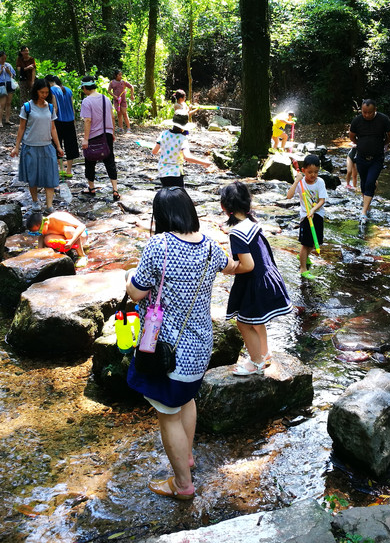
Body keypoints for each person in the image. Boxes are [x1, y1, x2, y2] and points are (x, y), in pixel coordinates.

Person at [125, 187, 234, 501]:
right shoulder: (212, 248)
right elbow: (229, 266)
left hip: (167, 350)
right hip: (200, 349)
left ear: (161, 216)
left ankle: (183, 485)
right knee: (186, 399)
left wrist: (129, 276)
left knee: (168, 413)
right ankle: (186, 457)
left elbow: (136, 292)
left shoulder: (160, 244)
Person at [221, 182, 292, 375]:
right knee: (256, 320)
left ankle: (256, 362)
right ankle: (264, 353)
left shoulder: (236, 232)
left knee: (243, 323)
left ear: (224, 207)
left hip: (254, 283)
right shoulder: (252, 223)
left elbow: (248, 265)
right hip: (266, 276)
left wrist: (230, 268)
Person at [11, 78, 64, 212]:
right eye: (42, 92)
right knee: (32, 176)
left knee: (50, 176)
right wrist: (16, 146)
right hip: (30, 146)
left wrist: (58, 146)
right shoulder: (27, 107)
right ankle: (35, 201)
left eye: (46, 92)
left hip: (47, 146)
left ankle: (49, 205)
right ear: (36, 91)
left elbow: (53, 128)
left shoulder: (50, 107)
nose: (44, 95)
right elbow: (21, 128)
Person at [349, 99, 390, 224]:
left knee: (370, 182)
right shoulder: (357, 120)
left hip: (377, 158)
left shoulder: (383, 119)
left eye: (369, 112)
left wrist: (382, 144)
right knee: (364, 183)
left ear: (375, 110)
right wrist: (360, 144)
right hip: (361, 157)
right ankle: (367, 205)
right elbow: (352, 136)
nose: (367, 115)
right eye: (364, 112)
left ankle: (363, 213)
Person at [79, 75, 120, 200]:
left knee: (90, 161)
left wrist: (85, 139)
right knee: (110, 160)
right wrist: (112, 132)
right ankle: (115, 190)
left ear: (85, 87)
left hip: (93, 135)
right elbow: (112, 117)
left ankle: (91, 188)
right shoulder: (105, 99)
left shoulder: (86, 101)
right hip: (106, 134)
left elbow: (87, 120)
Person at [287, 154, 326, 279]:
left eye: (316, 172)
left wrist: (313, 210)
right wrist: (296, 180)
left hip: (317, 214)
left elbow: (322, 200)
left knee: (316, 242)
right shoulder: (301, 183)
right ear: (303, 171)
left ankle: (303, 256)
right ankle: (303, 269)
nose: (313, 175)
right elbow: (289, 196)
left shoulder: (320, 182)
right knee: (305, 244)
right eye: (310, 172)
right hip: (305, 217)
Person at [152, 110, 212, 189]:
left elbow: (154, 151)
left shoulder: (164, 133)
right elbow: (187, 157)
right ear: (184, 126)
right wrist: (204, 162)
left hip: (162, 172)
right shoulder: (182, 139)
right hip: (175, 173)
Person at [46, 74, 79, 178]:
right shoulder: (68, 90)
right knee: (71, 146)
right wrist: (73, 120)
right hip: (70, 121)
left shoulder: (52, 90)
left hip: (58, 121)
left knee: (57, 145)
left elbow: (55, 108)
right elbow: (72, 108)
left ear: (49, 82)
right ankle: (69, 170)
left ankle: (61, 169)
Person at [0, 51, 16, 127]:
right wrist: (1, 70)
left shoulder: (8, 65)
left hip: (9, 84)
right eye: (2, 58)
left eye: (5, 58)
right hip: (0, 84)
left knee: (8, 103)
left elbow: (13, 75)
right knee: (2, 104)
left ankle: (7, 120)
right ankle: (0, 121)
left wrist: (8, 71)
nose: (4, 60)